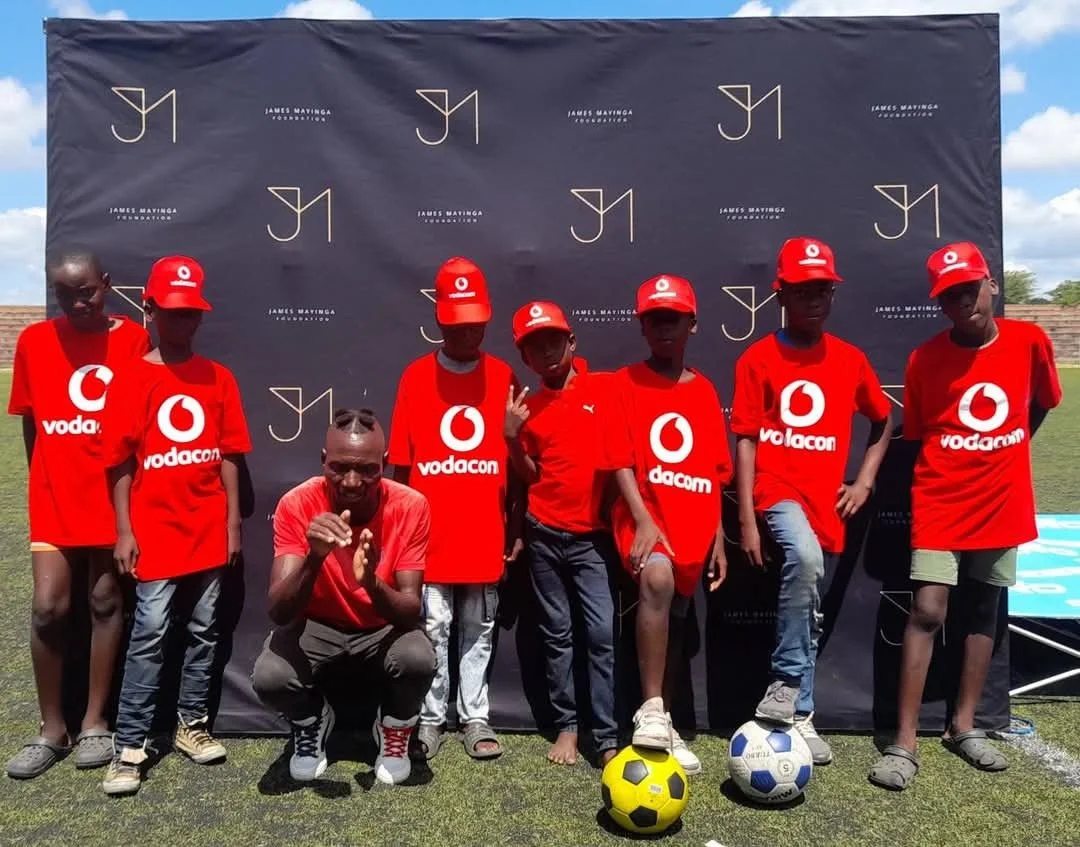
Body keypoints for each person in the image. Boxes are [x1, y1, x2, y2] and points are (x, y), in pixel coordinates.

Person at [869, 242, 1062, 791]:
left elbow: (1042, 402)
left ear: (991, 285)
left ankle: (963, 726)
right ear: (940, 303)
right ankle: (903, 743)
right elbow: (925, 431)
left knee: (983, 607)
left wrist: (1006, 452)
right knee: (928, 609)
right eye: (949, 296)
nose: (962, 302)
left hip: (1003, 501)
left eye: (969, 289)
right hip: (941, 500)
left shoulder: (1030, 342)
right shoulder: (925, 358)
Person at [731, 237, 892, 765]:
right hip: (775, 489)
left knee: (809, 600)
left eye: (823, 289)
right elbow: (747, 437)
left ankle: (801, 715)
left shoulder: (848, 359)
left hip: (829, 501)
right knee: (801, 557)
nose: (815, 299)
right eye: (803, 290)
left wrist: (864, 481)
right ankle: (785, 683)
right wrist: (749, 517)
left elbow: (883, 418)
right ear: (781, 294)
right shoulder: (758, 357)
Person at [100, 256, 252, 796]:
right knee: (148, 635)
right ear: (151, 309)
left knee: (205, 630)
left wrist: (233, 520)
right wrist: (124, 529)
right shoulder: (131, 377)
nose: (183, 322)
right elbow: (118, 463)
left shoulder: (219, 378)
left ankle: (191, 725)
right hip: (155, 533)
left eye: (191, 314)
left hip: (209, 527)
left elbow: (231, 456)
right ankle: (130, 746)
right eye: (173, 312)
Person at [5, 249, 150, 780]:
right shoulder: (34, 342)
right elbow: (30, 421)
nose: (77, 302)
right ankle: (51, 729)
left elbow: (137, 424)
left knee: (106, 600)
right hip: (55, 498)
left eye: (85, 291)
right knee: (48, 608)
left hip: (111, 498)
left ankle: (94, 722)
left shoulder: (133, 339)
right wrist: (44, 477)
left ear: (106, 284)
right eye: (65, 294)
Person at [252, 408, 436, 786]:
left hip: (382, 627)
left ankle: (395, 730)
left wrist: (370, 582)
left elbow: (408, 612)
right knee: (271, 676)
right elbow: (278, 611)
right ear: (323, 460)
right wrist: (314, 558)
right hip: (318, 625)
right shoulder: (296, 504)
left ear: (384, 464)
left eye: (367, 469)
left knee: (418, 658)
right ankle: (311, 721)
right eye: (339, 468)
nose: (352, 481)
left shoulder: (411, 505)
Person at [389, 256, 523, 762]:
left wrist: (514, 523)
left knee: (479, 628)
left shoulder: (504, 373)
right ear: (440, 319)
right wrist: (399, 535)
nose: (469, 331)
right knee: (434, 627)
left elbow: (514, 461)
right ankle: (430, 718)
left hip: (483, 532)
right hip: (430, 537)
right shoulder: (416, 376)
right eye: (458, 321)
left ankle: (475, 716)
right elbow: (401, 469)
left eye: (476, 321)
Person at [607, 274, 733, 775]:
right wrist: (642, 520)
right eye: (654, 318)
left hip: (695, 519)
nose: (664, 327)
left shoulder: (703, 391)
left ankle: (668, 724)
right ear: (642, 326)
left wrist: (720, 535)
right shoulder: (623, 382)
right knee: (656, 580)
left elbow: (713, 470)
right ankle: (653, 712)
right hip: (642, 516)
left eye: (673, 318)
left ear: (692, 324)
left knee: (679, 616)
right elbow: (618, 460)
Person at [504, 300, 619, 767]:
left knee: (601, 633)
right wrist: (511, 436)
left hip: (593, 537)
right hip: (545, 533)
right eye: (535, 346)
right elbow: (530, 477)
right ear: (525, 359)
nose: (547, 351)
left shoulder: (607, 388)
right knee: (557, 634)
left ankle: (607, 736)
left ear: (572, 341)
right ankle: (567, 728)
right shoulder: (527, 408)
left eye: (554, 340)